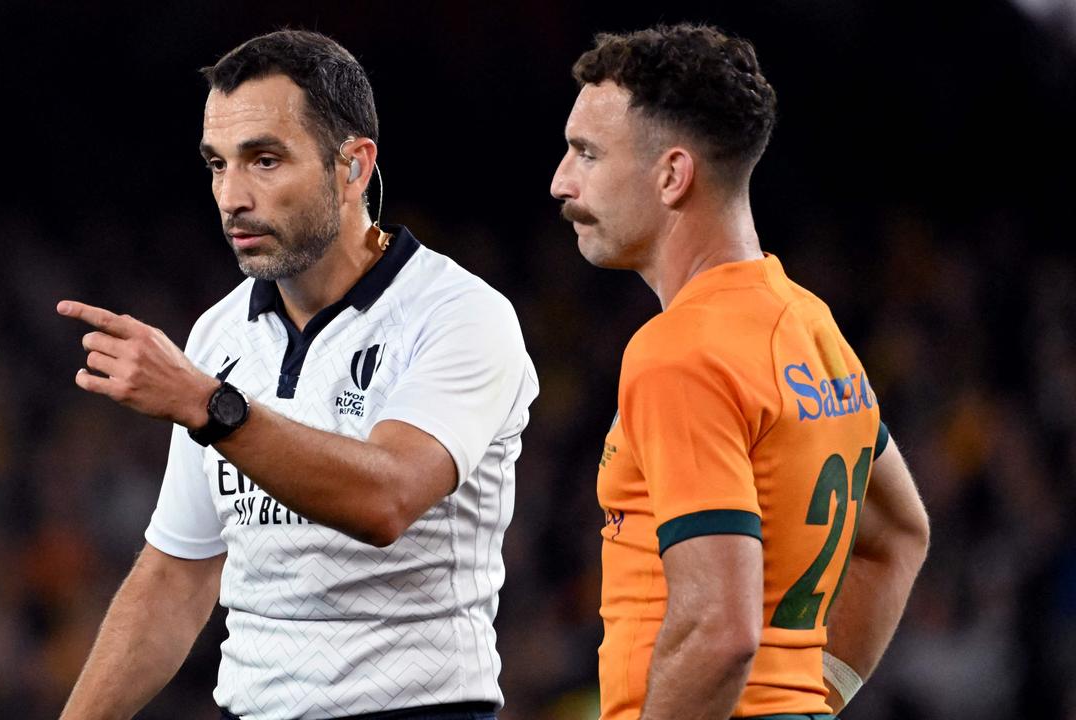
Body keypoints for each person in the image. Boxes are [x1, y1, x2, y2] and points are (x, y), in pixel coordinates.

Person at [55, 30, 537, 720]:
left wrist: (208, 404)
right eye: (217, 165)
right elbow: (176, 578)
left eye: (265, 160)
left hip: (418, 709)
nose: (232, 197)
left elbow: (387, 500)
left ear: (354, 166)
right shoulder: (218, 335)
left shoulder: (461, 316)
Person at [549, 24, 930, 720]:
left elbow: (718, 634)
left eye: (586, 154)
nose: (560, 182)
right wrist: (817, 699)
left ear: (672, 175)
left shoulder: (679, 350)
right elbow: (900, 534)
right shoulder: (810, 323)